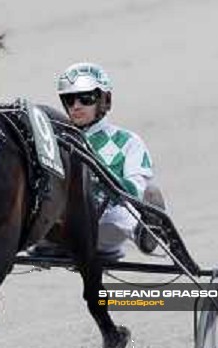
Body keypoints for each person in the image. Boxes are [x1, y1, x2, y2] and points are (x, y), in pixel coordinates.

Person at [56, 61, 166, 256]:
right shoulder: (57, 137)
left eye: (85, 98)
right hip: (61, 229)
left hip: (104, 228)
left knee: (121, 211)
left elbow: (136, 191)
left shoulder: (128, 141)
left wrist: (99, 173)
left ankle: (145, 232)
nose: (76, 106)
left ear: (104, 100)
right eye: (69, 100)